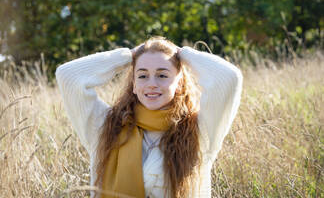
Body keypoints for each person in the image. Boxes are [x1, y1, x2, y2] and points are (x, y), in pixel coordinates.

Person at [55, 36, 243, 198]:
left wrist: (182, 54)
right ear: (134, 85)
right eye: (143, 76)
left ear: (179, 84)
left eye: (162, 75)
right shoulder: (107, 126)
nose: (151, 84)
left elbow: (228, 78)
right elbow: (68, 77)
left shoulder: (199, 130)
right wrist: (128, 55)